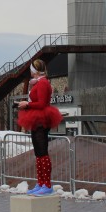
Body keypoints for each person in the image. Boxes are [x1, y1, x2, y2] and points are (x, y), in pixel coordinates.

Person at [17, 58, 64, 196]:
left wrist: (27, 104)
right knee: (38, 153)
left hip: (41, 119)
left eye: (31, 69)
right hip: (36, 118)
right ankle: (41, 182)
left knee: (42, 152)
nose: (30, 72)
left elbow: (42, 103)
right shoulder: (39, 82)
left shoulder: (43, 83)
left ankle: (47, 184)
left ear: (35, 70)